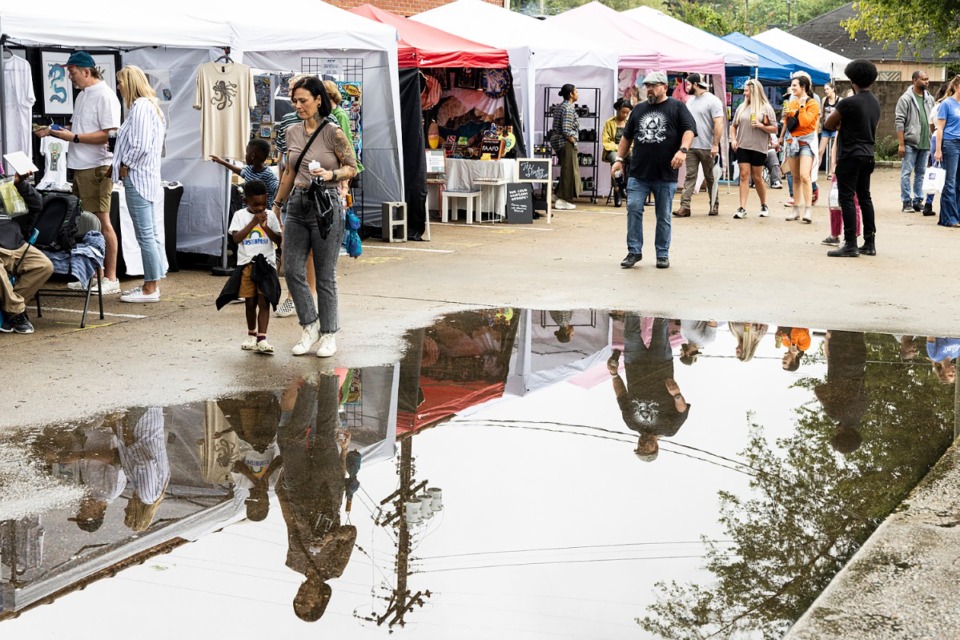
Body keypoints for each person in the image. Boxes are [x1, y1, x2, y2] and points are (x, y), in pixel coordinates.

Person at [272, 76, 358, 358]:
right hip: (297, 204)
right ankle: (309, 326)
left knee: (325, 274)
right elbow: (288, 171)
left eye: (303, 100)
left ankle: (329, 334)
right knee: (292, 269)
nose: (298, 106)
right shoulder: (292, 132)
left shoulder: (333, 132)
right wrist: (277, 205)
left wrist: (331, 174)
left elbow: (352, 167)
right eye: (295, 101)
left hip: (327, 203)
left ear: (318, 100)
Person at [36, 51, 121, 294]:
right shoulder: (84, 94)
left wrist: (72, 137)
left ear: (86, 71)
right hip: (82, 165)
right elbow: (77, 127)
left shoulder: (105, 96)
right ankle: (95, 275)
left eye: (72, 73)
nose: (70, 78)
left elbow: (109, 133)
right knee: (87, 222)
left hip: (97, 166)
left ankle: (111, 278)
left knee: (101, 221)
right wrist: (52, 131)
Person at [277, 369, 356, 622]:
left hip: (298, 492)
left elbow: (291, 524)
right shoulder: (334, 569)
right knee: (324, 435)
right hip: (327, 492)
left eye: (297, 600)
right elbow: (351, 533)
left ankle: (310, 384)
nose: (301, 596)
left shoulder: (294, 562)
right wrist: (330, 537)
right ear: (321, 599)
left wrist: (280, 493)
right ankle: (330, 379)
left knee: (292, 440)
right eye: (305, 602)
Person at [612, 71, 696, 270]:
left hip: (665, 173)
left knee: (663, 215)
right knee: (633, 208)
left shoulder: (677, 107)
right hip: (639, 172)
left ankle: (662, 254)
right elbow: (626, 137)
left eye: (653, 85)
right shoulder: (639, 109)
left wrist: (683, 150)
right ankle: (634, 251)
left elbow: (689, 130)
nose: (649, 89)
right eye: (647, 85)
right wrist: (618, 159)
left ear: (664, 87)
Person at [112, 65, 167, 304]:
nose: (118, 87)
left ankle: (150, 287)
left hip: (138, 176)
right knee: (150, 234)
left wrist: (125, 164)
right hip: (146, 176)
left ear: (131, 83)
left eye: (121, 82)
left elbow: (141, 145)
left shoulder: (141, 107)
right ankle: (151, 283)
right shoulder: (148, 106)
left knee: (145, 234)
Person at [608, 314, 691, 461]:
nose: (643, 445)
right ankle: (661, 295)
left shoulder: (631, 423)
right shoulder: (669, 430)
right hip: (661, 365)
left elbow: (621, 395)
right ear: (656, 447)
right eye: (647, 449)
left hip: (634, 364)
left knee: (630, 333)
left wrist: (614, 374)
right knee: (660, 324)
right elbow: (682, 411)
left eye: (639, 448)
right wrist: (676, 395)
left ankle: (633, 301)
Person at [824, 59, 881, 257]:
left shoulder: (848, 102)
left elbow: (829, 124)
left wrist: (841, 124)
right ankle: (870, 242)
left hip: (850, 154)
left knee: (847, 198)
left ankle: (850, 243)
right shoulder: (874, 102)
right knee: (865, 197)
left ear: (852, 80)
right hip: (868, 154)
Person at [222, 179, 281, 353]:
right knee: (250, 302)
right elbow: (236, 238)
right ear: (246, 201)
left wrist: (265, 227)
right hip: (247, 264)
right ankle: (251, 334)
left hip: (266, 265)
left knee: (264, 301)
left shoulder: (270, 216)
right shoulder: (239, 215)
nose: (261, 208)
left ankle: (262, 337)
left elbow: (278, 240)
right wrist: (253, 223)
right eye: (256, 205)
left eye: (263, 204)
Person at [0, 173, 53, 334]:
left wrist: (20, 183)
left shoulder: (5, 182)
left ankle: (9, 309)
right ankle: (17, 313)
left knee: (44, 266)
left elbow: (37, 205)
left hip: (15, 243)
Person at [674, 73, 723, 218]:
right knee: (690, 176)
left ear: (696, 84)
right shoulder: (690, 101)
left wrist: (715, 144)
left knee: (710, 178)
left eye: (688, 84)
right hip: (691, 146)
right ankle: (685, 206)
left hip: (707, 146)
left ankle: (714, 204)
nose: (686, 87)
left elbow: (718, 123)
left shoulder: (713, 101)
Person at [730, 79, 778, 219]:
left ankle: (764, 204)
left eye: (746, 91)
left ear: (754, 91)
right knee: (744, 175)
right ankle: (742, 207)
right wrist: (734, 139)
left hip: (758, 147)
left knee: (757, 177)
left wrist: (760, 125)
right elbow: (733, 126)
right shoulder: (742, 107)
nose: (744, 93)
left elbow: (774, 128)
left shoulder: (766, 108)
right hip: (743, 145)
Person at [780, 75, 820, 223]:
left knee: (805, 175)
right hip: (792, 142)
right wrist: (786, 116)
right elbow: (790, 123)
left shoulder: (813, 104)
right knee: (795, 177)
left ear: (803, 87)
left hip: (806, 143)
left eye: (795, 85)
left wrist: (802, 107)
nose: (792, 88)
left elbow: (804, 123)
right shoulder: (792, 102)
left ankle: (808, 209)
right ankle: (796, 208)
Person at [895, 71, 935, 212]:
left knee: (921, 173)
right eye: (924, 79)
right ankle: (906, 201)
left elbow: (932, 119)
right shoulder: (905, 99)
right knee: (906, 172)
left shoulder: (929, 98)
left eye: (927, 79)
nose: (927, 81)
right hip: (910, 142)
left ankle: (918, 200)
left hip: (925, 142)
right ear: (914, 80)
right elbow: (899, 121)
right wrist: (901, 144)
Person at [210, 139, 279, 207]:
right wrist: (222, 162)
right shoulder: (249, 169)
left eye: (246, 153)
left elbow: (277, 189)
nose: (245, 155)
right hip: (247, 212)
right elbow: (241, 172)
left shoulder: (268, 175)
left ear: (252, 156)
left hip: (262, 214)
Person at [934, 75, 960, 229]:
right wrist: (938, 150)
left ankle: (956, 214)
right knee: (950, 182)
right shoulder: (946, 104)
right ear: (956, 87)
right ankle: (949, 218)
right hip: (951, 144)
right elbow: (940, 129)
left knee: (958, 183)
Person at [549, 84, 580, 211]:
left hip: (558, 141)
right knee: (569, 170)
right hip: (565, 142)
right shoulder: (568, 108)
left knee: (566, 169)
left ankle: (557, 195)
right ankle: (563, 200)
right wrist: (573, 141)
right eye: (576, 91)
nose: (578, 93)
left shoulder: (561, 106)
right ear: (571, 94)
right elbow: (566, 130)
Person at [602, 99, 631, 207]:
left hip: (627, 150)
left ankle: (627, 187)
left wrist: (627, 149)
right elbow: (606, 142)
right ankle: (618, 189)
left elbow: (633, 140)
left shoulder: (629, 123)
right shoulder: (609, 123)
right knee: (615, 160)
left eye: (627, 113)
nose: (625, 115)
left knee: (635, 161)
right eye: (623, 112)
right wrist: (620, 149)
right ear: (617, 110)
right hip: (613, 150)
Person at [817, 82, 840, 180]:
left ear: (833, 89)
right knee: (820, 150)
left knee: (833, 151)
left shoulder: (839, 100)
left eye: (827, 89)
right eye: (825, 89)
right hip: (826, 128)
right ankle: (815, 171)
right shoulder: (824, 100)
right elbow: (821, 113)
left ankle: (832, 172)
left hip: (836, 129)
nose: (826, 91)